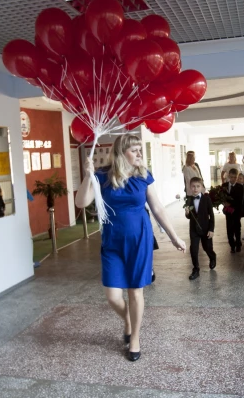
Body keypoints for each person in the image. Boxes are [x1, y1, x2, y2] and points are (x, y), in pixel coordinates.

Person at [74, 134, 186, 362]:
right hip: (112, 241)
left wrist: (174, 237)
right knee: (113, 296)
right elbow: (81, 203)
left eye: (140, 150)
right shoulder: (102, 175)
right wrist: (88, 176)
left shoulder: (143, 176)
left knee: (136, 291)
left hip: (139, 239)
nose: (139, 154)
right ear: (121, 152)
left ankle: (135, 337)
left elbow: (157, 208)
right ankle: (128, 319)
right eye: (134, 150)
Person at [184, 177, 216, 280]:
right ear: (190, 187)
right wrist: (187, 213)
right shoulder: (188, 199)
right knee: (193, 249)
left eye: (198, 186)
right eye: (193, 186)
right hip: (194, 230)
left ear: (202, 187)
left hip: (205, 228)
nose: (195, 188)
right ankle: (196, 269)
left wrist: (211, 229)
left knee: (207, 248)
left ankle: (212, 257)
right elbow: (189, 216)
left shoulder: (206, 199)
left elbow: (211, 215)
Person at [222, 168, 244, 253]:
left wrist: (230, 204)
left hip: (236, 211)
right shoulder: (224, 186)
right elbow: (221, 197)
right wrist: (223, 203)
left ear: (237, 177)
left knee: (237, 228)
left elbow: (240, 200)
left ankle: (238, 244)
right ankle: (232, 245)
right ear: (228, 176)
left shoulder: (240, 187)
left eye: (235, 177)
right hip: (228, 211)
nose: (233, 179)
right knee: (229, 229)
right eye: (231, 177)